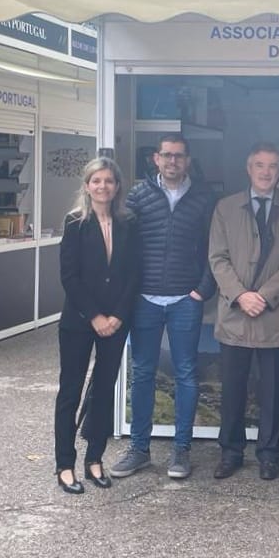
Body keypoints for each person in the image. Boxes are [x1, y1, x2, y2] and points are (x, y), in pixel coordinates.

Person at [111, 134, 217, 481]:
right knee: (142, 373)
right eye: (167, 156)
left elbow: (213, 248)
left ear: (188, 160)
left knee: (186, 373)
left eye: (179, 156)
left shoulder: (203, 198)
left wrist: (202, 290)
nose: (173, 162)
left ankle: (181, 450)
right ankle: (139, 449)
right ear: (156, 159)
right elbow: (125, 246)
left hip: (186, 299)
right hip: (145, 299)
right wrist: (130, 291)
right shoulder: (138, 196)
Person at [209, 143, 279, 481]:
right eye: (260, 165)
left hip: (273, 314)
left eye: (273, 166)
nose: (267, 172)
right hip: (235, 313)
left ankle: (268, 453)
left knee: (271, 390)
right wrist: (241, 295)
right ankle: (230, 451)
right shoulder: (225, 208)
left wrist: (263, 296)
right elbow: (217, 258)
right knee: (232, 387)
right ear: (248, 169)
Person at [54, 158, 140, 494]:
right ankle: (64, 464)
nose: (102, 186)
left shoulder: (128, 223)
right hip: (79, 321)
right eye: (96, 181)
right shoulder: (75, 222)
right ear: (87, 185)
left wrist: (118, 315)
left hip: (117, 322)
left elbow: (134, 273)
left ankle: (94, 460)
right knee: (70, 393)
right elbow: (69, 277)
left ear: (117, 187)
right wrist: (96, 317)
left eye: (108, 181)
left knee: (104, 392)